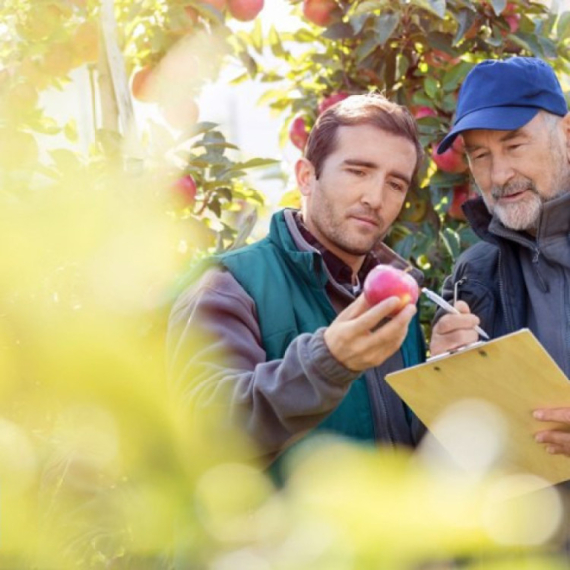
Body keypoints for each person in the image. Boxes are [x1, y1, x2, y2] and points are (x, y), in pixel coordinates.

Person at [167, 93, 426, 470]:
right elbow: (205, 432)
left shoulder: (396, 298)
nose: (375, 197)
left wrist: (448, 375)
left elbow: (404, 452)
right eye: (358, 171)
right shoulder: (230, 286)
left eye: (396, 184)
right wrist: (326, 364)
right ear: (306, 176)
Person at [430, 56, 570, 457]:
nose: (499, 175)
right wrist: (440, 374)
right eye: (480, 155)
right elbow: (454, 448)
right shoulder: (472, 274)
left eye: (514, 144)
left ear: (568, 133)